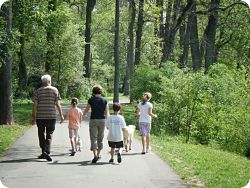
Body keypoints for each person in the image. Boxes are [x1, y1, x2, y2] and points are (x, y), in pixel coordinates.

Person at [31, 74, 64, 161]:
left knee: (41, 133)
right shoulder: (55, 90)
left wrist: (33, 116)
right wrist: (61, 115)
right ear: (49, 81)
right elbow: (58, 104)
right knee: (49, 133)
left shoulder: (38, 91)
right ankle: (46, 152)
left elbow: (35, 105)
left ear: (43, 82)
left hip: (40, 116)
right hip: (51, 116)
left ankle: (43, 152)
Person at [82, 84, 109, 163]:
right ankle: (98, 154)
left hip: (93, 120)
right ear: (101, 91)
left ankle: (95, 156)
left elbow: (87, 110)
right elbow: (106, 112)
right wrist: (108, 122)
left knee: (93, 138)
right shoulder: (104, 100)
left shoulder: (91, 100)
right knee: (100, 138)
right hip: (102, 120)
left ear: (93, 91)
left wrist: (82, 115)